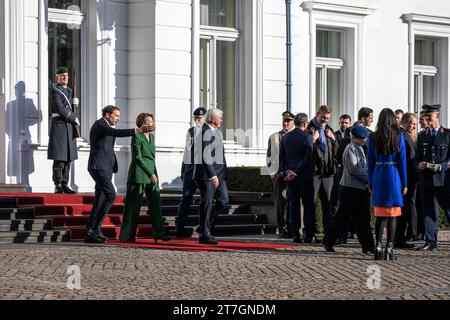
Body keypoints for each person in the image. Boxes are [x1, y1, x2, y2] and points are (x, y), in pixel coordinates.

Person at [85, 105, 153, 243]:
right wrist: (137, 130)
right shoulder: (100, 125)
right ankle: (94, 228)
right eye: (116, 116)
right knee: (111, 195)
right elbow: (116, 133)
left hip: (106, 167)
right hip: (98, 167)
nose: (118, 119)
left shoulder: (106, 126)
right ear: (108, 114)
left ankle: (92, 230)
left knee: (100, 198)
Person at [119, 113, 170, 243]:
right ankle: (127, 235)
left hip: (152, 173)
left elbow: (151, 157)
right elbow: (138, 158)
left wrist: (153, 173)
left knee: (156, 204)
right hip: (139, 174)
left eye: (152, 121)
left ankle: (159, 233)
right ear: (141, 123)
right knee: (132, 207)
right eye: (148, 122)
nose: (151, 124)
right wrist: (149, 173)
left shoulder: (152, 137)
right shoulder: (137, 136)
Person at [323, 126, 374, 253]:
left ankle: (368, 245)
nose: (364, 140)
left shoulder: (360, 149)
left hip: (360, 188)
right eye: (362, 138)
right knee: (343, 216)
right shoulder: (350, 149)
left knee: (364, 218)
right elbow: (354, 169)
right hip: (350, 188)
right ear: (355, 138)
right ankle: (329, 240)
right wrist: (370, 179)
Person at [368, 108, 407, 260]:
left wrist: (370, 181)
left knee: (380, 215)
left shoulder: (372, 137)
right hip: (393, 174)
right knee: (393, 215)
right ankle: (389, 249)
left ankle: (378, 248)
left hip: (378, 174)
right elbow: (402, 161)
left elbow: (370, 162)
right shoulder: (398, 135)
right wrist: (404, 182)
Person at [416, 104, 450, 251]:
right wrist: (419, 165)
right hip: (426, 180)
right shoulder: (422, 136)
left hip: (443, 179)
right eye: (426, 116)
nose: (427, 119)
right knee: (428, 211)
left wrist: (440, 166)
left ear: (437, 116)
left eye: (430, 116)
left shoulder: (447, 134)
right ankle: (431, 242)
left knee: (448, 209)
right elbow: (416, 158)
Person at [279, 113, 315, 243]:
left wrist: (287, 171)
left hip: (290, 178)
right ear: (305, 124)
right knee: (308, 206)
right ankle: (308, 234)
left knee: (293, 206)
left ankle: (295, 234)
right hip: (304, 177)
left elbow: (282, 159)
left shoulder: (285, 137)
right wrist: (296, 171)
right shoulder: (308, 137)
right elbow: (307, 158)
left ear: (294, 123)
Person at [195, 108, 229, 245]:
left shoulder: (216, 132)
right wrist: (212, 175)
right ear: (213, 119)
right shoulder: (204, 132)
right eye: (220, 118)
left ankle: (204, 226)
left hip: (219, 175)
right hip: (208, 176)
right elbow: (206, 156)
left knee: (224, 200)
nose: (221, 120)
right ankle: (205, 233)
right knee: (207, 203)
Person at [175, 107, 207, 238]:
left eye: (199, 118)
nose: (197, 120)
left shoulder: (210, 131)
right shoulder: (191, 131)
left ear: (205, 117)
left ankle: (204, 228)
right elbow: (187, 151)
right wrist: (183, 170)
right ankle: (179, 228)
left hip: (204, 172)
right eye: (195, 118)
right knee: (186, 199)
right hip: (190, 170)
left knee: (206, 200)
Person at [307, 105, 338, 237]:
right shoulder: (309, 129)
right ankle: (309, 233)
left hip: (327, 173)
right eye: (323, 117)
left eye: (327, 118)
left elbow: (337, 152)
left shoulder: (329, 130)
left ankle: (328, 233)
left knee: (328, 204)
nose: (325, 120)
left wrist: (334, 139)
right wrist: (312, 139)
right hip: (314, 173)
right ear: (317, 114)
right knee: (311, 204)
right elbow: (304, 150)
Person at [47, 66, 79, 194]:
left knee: (68, 157)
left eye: (66, 75)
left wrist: (75, 105)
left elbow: (71, 109)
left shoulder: (70, 91)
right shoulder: (54, 91)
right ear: (57, 77)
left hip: (69, 127)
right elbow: (60, 108)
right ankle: (58, 183)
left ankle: (65, 183)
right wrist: (73, 117)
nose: (65, 77)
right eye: (62, 75)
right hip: (60, 126)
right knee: (59, 157)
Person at [267, 111, 295, 238]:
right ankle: (281, 228)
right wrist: (271, 171)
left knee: (291, 202)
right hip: (279, 174)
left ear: (293, 122)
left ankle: (291, 228)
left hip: (293, 174)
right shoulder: (274, 136)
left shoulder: (297, 136)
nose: (285, 123)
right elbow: (269, 156)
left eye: (288, 121)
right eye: (284, 121)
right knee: (280, 203)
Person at [395, 113, 418, 249]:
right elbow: (404, 158)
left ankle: (400, 237)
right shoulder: (401, 135)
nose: (414, 126)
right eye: (411, 123)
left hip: (410, 178)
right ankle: (399, 239)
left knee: (406, 209)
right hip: (406, 178)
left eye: (415, 124)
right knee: (403, 210)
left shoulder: (407, 135)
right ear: (404, 122)